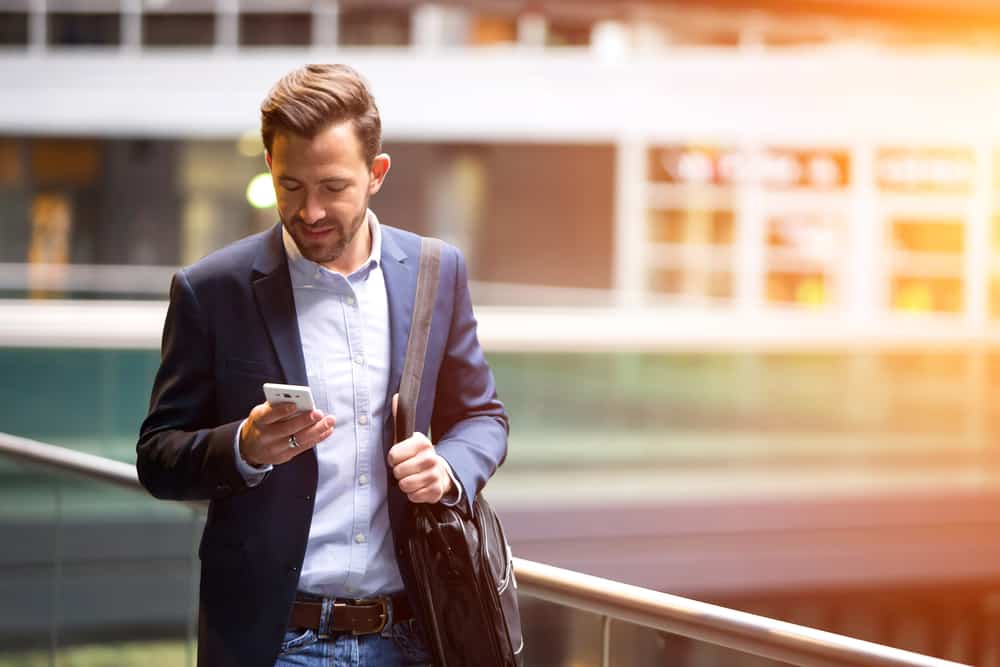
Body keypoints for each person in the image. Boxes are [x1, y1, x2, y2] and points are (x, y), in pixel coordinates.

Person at [136, 63, 509, 667]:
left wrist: (447, 467)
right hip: (277, 642)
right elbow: (157, 457)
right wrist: (243, 446)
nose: (309, 211)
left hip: (415, 635)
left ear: (376, 174)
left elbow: (484, 417)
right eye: (291, 186)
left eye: (333, 188)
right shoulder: (213, 290)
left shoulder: (437, 273)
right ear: (270, 167)